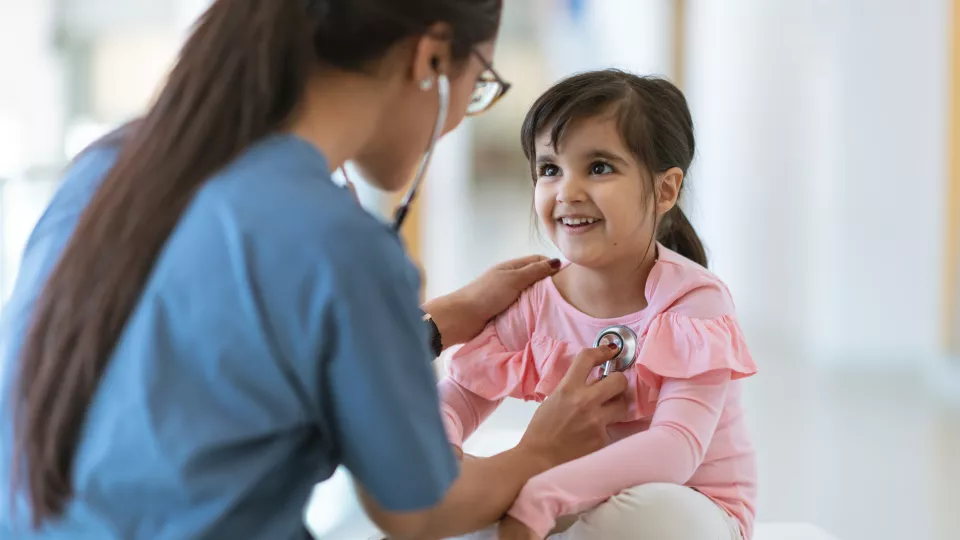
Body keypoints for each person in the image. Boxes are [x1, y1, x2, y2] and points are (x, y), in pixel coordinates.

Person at [0, 2, 632, 539]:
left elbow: (219, 361)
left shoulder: (106, 166)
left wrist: (436, 322)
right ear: (432, 58)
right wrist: (541, 449)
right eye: (481, 81)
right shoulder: (338, 242)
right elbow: (417, 506)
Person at [438, 70, 759, 540]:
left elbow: (676, 449)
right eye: (550, 169)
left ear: (666, 190)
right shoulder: (533, 298)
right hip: (573, 503)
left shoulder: (695, 300)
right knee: (459, 516)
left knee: (642, 515)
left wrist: (539, 498)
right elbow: (459, 395)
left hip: (690, 507)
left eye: (599, 167)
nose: (567, 191)